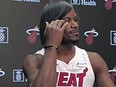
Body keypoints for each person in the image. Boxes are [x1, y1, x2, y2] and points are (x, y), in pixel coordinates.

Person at [22, 0, 116, 87]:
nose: (75, 25)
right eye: (67, 21)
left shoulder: (93, 60)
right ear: (51, 25)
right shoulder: (34, 61)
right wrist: (51, 45)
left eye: (75, 19)